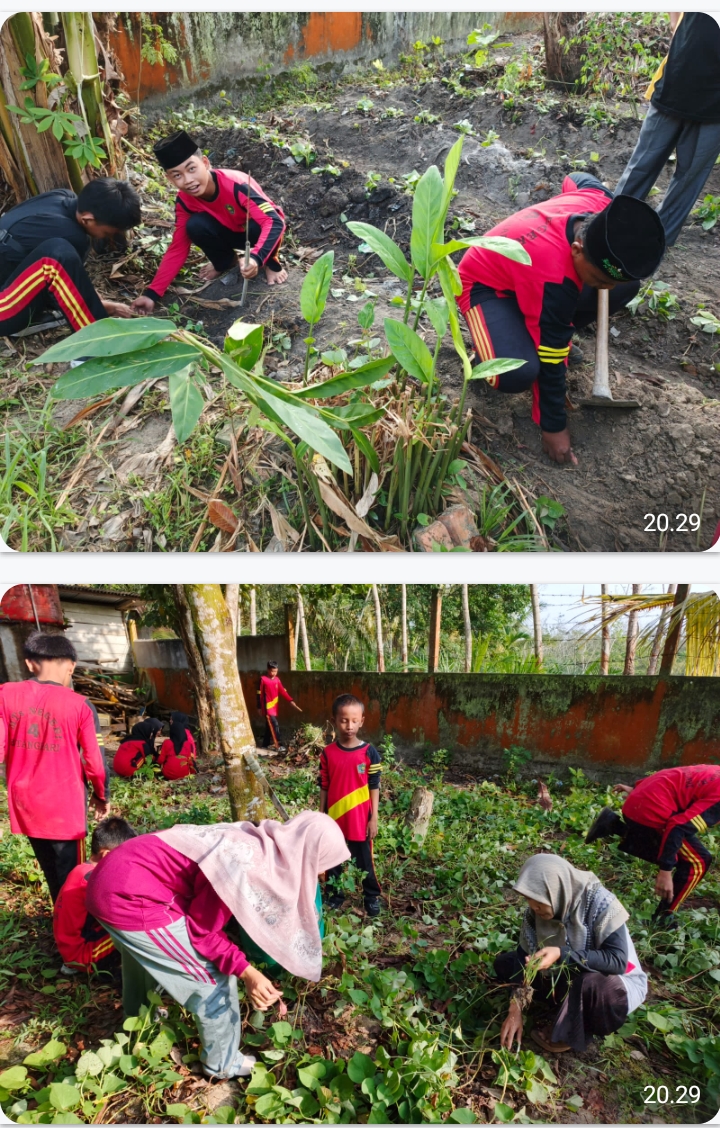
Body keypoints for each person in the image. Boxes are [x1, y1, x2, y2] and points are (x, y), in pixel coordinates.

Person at [86, 811, 350, 1080]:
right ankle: (222, 1065)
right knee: (212, 977)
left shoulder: (259, 841)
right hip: (127, 898)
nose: (324, 872)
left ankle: (139, 1017)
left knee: (141, 954)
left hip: (114, 878)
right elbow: (203, 933)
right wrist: (247, 973)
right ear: (305, 853)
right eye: (322, 863)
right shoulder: (243, 864)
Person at [456, 173, 665, 466]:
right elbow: (552, 357)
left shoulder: (600, 204)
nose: (605, 287)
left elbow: (578, 179)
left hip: (535, 282)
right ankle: (487, 350)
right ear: (577, 250)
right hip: (486, 285)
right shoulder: (553, 276)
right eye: (600, 278)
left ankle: (527, 329)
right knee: (515, 372)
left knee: (626, 288)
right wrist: (553, 427)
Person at [496, 853, 647, 1055]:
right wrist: (515, 1010)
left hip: (612, 983)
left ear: (557, 891)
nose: (533, 907)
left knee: (589, 983)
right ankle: (564, 1004)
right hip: (566, 974)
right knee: (505, 964)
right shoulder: (533, 915)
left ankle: (570, 1032)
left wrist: (562, 954)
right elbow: (523, 959)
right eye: (528, 900)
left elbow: (617, 961)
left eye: (539, 901)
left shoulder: (601, 903)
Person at [0, 631, 109, 903]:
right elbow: (94, 761)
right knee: (72, 876)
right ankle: (71, 933)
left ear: (29, 663)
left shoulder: (5, 695)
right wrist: (101, 795)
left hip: (26, 805)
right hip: (65, 810)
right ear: (71, 665)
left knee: (49, 867)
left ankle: (59, 916)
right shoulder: (80, 705)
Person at [131, 130, 287, 315]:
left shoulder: (237, 184)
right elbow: (178, 248)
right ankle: (225, 262)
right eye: (177, 175)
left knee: (258, 226)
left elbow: (275, 221)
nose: (188, 180)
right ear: (169, 179)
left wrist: (255, 257)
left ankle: (271, 262)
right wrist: (152, 294)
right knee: (195, 225)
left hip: (255, 232)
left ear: (205, 163)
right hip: (229, 231)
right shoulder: (184, 201)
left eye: (192, 169)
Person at [615, 14, 720, 248]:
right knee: (642, 164)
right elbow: (675, 22)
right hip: (676, 82)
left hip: (715, 107)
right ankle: (610, 226)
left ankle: (655, 243)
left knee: (688, 179)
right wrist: (675, 25)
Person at [0, 178, 141, 335]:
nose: (106, 238)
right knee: (58, 254)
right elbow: (63, 292)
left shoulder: (60, 196)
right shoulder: (73, 235)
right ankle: (95, 345)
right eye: (107, 233)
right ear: (87, 219)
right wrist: (100, 307)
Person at [586, 764, 720, 928]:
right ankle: (664, 918)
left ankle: (614, 826)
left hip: (640, 800)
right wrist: (665, 871)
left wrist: (638, 789)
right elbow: (678, 826)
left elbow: (675, 775)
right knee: (698, 861)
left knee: (678, 849)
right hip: (647, 811)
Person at [319, 693, 382, 917]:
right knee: (332, 859)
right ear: (334, 720)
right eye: (344, 720)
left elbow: (374, 785)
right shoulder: (327, 753)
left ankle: (371, 896)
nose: (349, 725)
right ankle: (335, 895)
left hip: (359, 818)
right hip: (334, 818)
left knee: (365, 859)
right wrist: (321, 815)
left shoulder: (369, 752)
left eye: (354, 720)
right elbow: (324, 785)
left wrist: (373, 817)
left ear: (362, 721)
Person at [53, 816, 136, 976]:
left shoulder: (82, 870)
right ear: (106, 855)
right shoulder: (94, 880)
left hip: (70, 944)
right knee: (135, 931)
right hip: (80, 955)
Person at [257, 661, 301, 752]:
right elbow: (259, 694)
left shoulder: (277, 680)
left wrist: (290, 700)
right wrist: (259, 707)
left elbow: (283, 691)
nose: (274, 673)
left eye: (276, 671)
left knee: (269, 726)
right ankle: (279, 745)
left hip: (274, 707)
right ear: (268, 670)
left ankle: (265, 745)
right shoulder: (263, 679)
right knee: (275, 724)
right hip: (267, 708)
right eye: (272, 671)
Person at [158, 712, 197, 781]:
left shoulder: (167, 742)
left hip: (168, 774)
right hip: (185, 773)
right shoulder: (187, 740)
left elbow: (161, 760)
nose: (170, 721)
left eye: (171, 719)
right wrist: (193, 772)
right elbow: (191, 759)